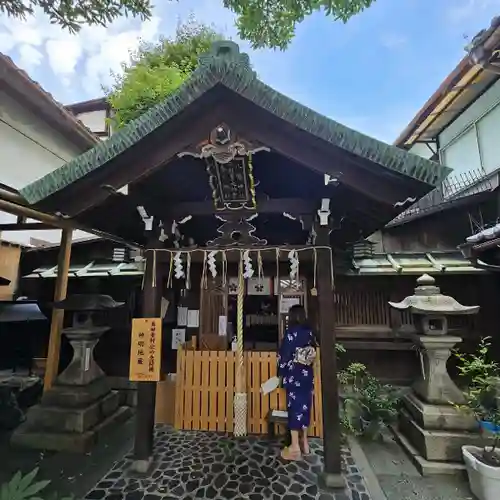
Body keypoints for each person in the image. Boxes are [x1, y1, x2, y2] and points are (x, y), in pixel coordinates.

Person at [277, 304, 317, 461]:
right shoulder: (310, 333)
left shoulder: (290, 334)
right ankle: (305, 443)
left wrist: (280, 373)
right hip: (307, 375)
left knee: (294, 409)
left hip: (294, 375)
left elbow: (284, 356)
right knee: (305, 407)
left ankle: (294, 447)